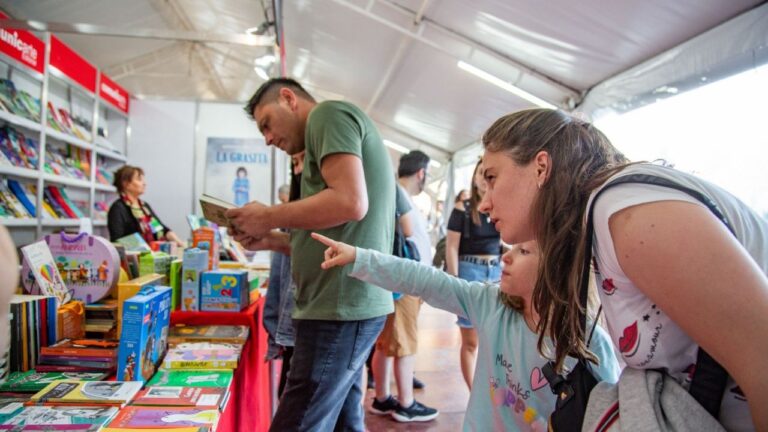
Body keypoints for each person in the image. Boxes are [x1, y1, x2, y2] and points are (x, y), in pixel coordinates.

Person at [478, 108, 768, 431]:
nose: (484, 203)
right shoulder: (600, 227)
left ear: (541, 167)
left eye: (491, 178)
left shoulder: (627, 218)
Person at [312, 233, 619, 431]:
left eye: (523, 251)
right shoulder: (491, 304)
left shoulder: (589, 344)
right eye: (511, 249)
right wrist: (361, 258)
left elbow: (609, 414)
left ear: (557, 269)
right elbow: (426, 280)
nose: (506, 257)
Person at [225, 77, 395, 431]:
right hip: (343, 303)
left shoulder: (328, 115)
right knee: (343, 421)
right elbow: (332, 238)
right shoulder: (324, 130)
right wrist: (271, 240)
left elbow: (351, 202)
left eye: (266, 124)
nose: (268, 139)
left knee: (299, 421)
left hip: (338, 306)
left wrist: (267, 215)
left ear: (288, 98)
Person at [369, 150, 438, 423]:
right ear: (421, 172)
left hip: (395, 279)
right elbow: (408, 231)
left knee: (386, 343)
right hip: (404, 280)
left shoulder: (391, 191)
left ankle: (383, 397)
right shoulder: (399, 194)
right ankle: (405, 403)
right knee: (405, 342)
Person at [446, 159, 502, 389]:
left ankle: (491, 394)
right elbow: (451, 246)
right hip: (470, 270)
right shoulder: (463, 208)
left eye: (488, 174)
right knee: (471, 341)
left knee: (494, 339)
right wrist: (454, 281)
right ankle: (473, 393)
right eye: (480, 173)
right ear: (475, 177)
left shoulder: (499, 205)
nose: (483, 178)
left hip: (497, 272)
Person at [263, 157, 303, 398]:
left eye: (302, 161)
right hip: (295, 329)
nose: (298, 169)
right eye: (294, 163)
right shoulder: (292, 217)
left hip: (309, 326)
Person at [107, 165, 183, 246]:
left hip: (153, 253)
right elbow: (117, 241)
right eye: (139, 179)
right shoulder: (118, 208)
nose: (144, 183)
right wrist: (145, 246)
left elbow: (160, 229)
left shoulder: (144, 206)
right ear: (126, 184)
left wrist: (181, 244)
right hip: (133, 256)